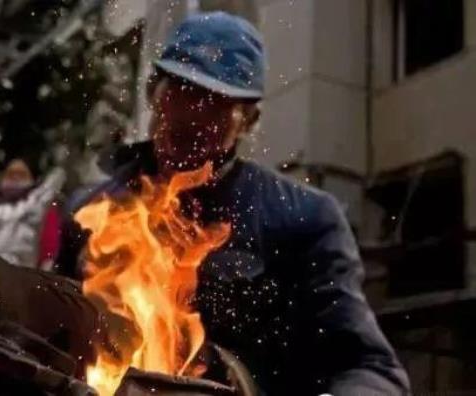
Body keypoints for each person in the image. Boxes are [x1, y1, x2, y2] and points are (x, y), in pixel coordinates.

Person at [56, 12, 410, 395]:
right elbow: (50, 331)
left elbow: (370, 368)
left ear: (248, 119)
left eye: (215, 103)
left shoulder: (303, 219)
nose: (192, 115)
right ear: (153, 94)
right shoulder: (92, 212)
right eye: (181, 91)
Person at [0, 158, 65, 269]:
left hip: (19, 273)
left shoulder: (38, 207)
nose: (15, 178)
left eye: (21, 174)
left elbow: (50, 243)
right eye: (10, 174)